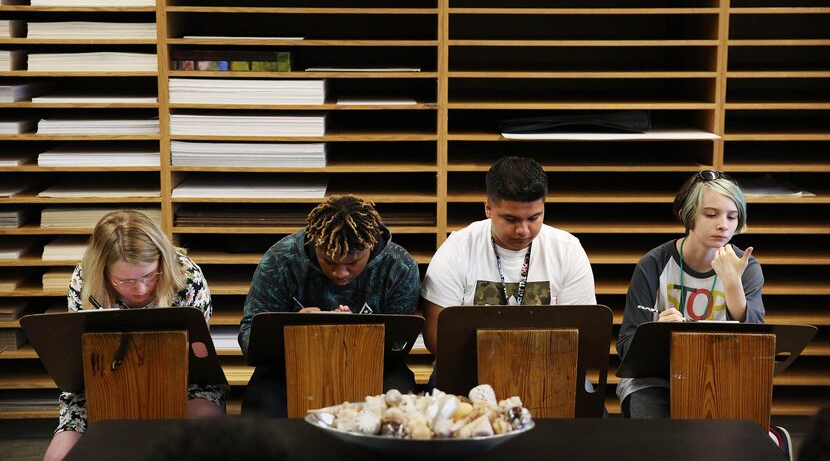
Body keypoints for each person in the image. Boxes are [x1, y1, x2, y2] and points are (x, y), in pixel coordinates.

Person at [43, 210, 226, 461]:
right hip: (101, 382)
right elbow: (80, 361)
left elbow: (198, 360)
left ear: (161, 261)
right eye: (125, 281)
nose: (140, 289)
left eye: (149, 276)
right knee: (58, 457)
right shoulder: (85, 279)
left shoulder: (188, 277)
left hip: (184, 381)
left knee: (204, 440)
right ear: (104, 271)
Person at [239, 194, 420, 417]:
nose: (341, 273)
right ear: (315, 243)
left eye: (352, 262)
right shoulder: (281, 259)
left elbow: (398, 348)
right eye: (329, 261)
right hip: (290, 365)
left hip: (371, 365)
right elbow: (249, 338)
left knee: (402, 404)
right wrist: (295, 328)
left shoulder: (399, 267)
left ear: (371, 245)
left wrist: (358, 333)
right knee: (261, 403)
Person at [616, 170, 765, 418]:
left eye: (732, 217)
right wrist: (655, 336)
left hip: (721, 375)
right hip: (656, 378)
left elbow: (756, 344)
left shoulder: (746, 268)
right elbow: (625, 346)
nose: (723, 225)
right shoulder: (653, 264)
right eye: (711, 214)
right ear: (688, 215)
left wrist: (732, 283)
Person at [420, 156, 596, 355]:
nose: (523, 230)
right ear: (488, 208)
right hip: (467, 370)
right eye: (511, 219)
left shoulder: (567, 250)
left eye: (533, 218)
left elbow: (581, 336)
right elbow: (437, 339)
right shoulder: (456, 250)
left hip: (549, 367)